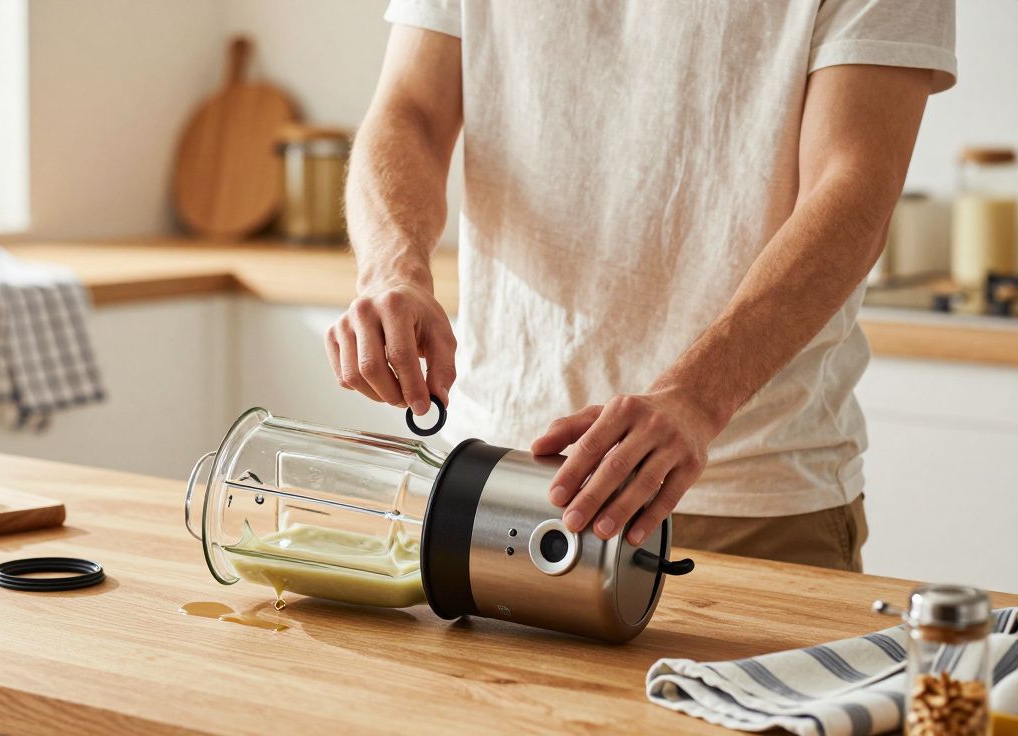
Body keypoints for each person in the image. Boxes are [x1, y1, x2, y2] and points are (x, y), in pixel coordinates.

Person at [325, 1, 956, 571]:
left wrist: (697, 397)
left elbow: (852, 190)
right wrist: (391, 266)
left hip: (744, 495)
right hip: (490, 476)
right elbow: (410, 112)